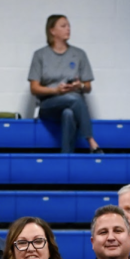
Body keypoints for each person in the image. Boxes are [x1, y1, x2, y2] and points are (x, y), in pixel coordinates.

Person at [29, 14, 101, 154]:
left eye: (69, 26)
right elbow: (34, 88)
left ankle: (66, 158)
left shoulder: (79, 54)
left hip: (73, 105)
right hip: (48, 105)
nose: (68, 29)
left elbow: (88, 88)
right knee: (74, 99)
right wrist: (56, 91)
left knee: (68, 113)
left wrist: (78, 86)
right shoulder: (40, 55)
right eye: (63, 26)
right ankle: (91, 141)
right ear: (52, 31)